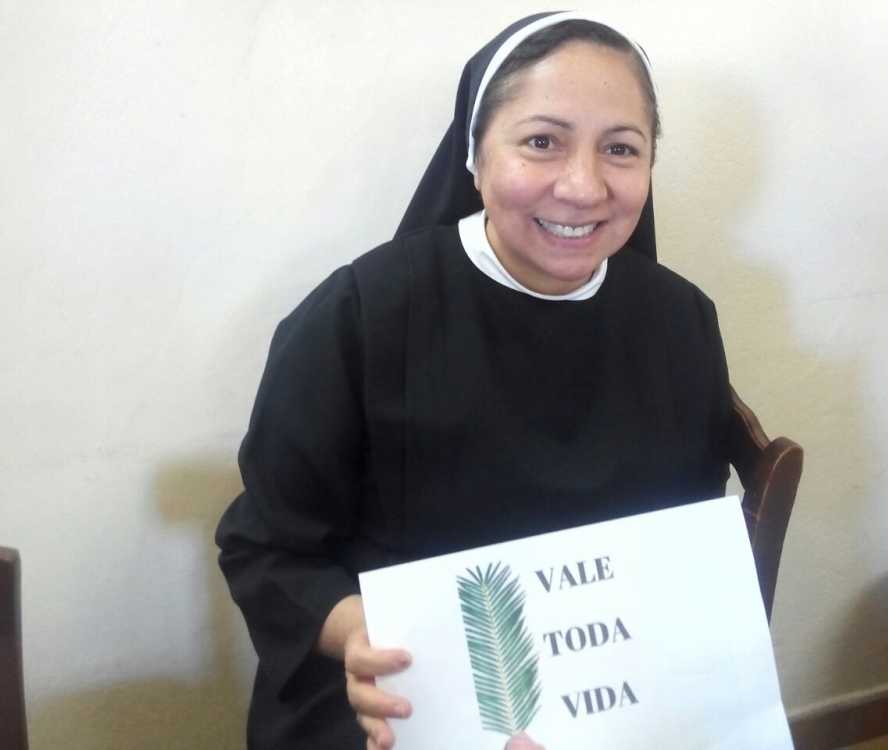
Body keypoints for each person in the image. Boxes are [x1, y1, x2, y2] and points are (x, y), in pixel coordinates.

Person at [216, 11, 731, 750]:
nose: (582, 186)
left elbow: (683, 542)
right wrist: (360, 636)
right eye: (542, 141)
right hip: (402, 695)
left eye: (621, 148)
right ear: (475, 152)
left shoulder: (683, 320)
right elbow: (267, 550)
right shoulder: (358, 315)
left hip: (611, 702)